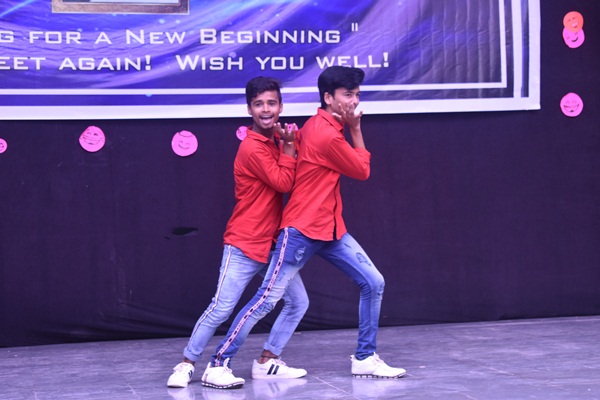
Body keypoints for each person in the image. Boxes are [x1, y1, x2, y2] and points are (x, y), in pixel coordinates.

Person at [201, 66, 406, 389]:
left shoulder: (319, 126)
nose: (354, 101)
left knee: (373, 282)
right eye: (347, 95)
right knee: (267, 300)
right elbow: (362, 170)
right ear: (328, 98)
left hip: (331, 229)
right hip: (301, 229)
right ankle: (218, 363)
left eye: (356, 95)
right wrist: (356, 128)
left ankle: (363, 357)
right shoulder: (326, 134)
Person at [167, 77, 309, 390]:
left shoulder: (276, 141)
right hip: (244, 243)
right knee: (221, 308)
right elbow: (283, 182)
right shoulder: (251, 147)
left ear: (280, 106)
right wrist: (289, 147)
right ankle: (187, 363)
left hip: (273, 245)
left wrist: (290, 144)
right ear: (249, 109)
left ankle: (267, 361)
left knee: (298, 302)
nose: (266, 109)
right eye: (259, 104)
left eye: (271, 103)